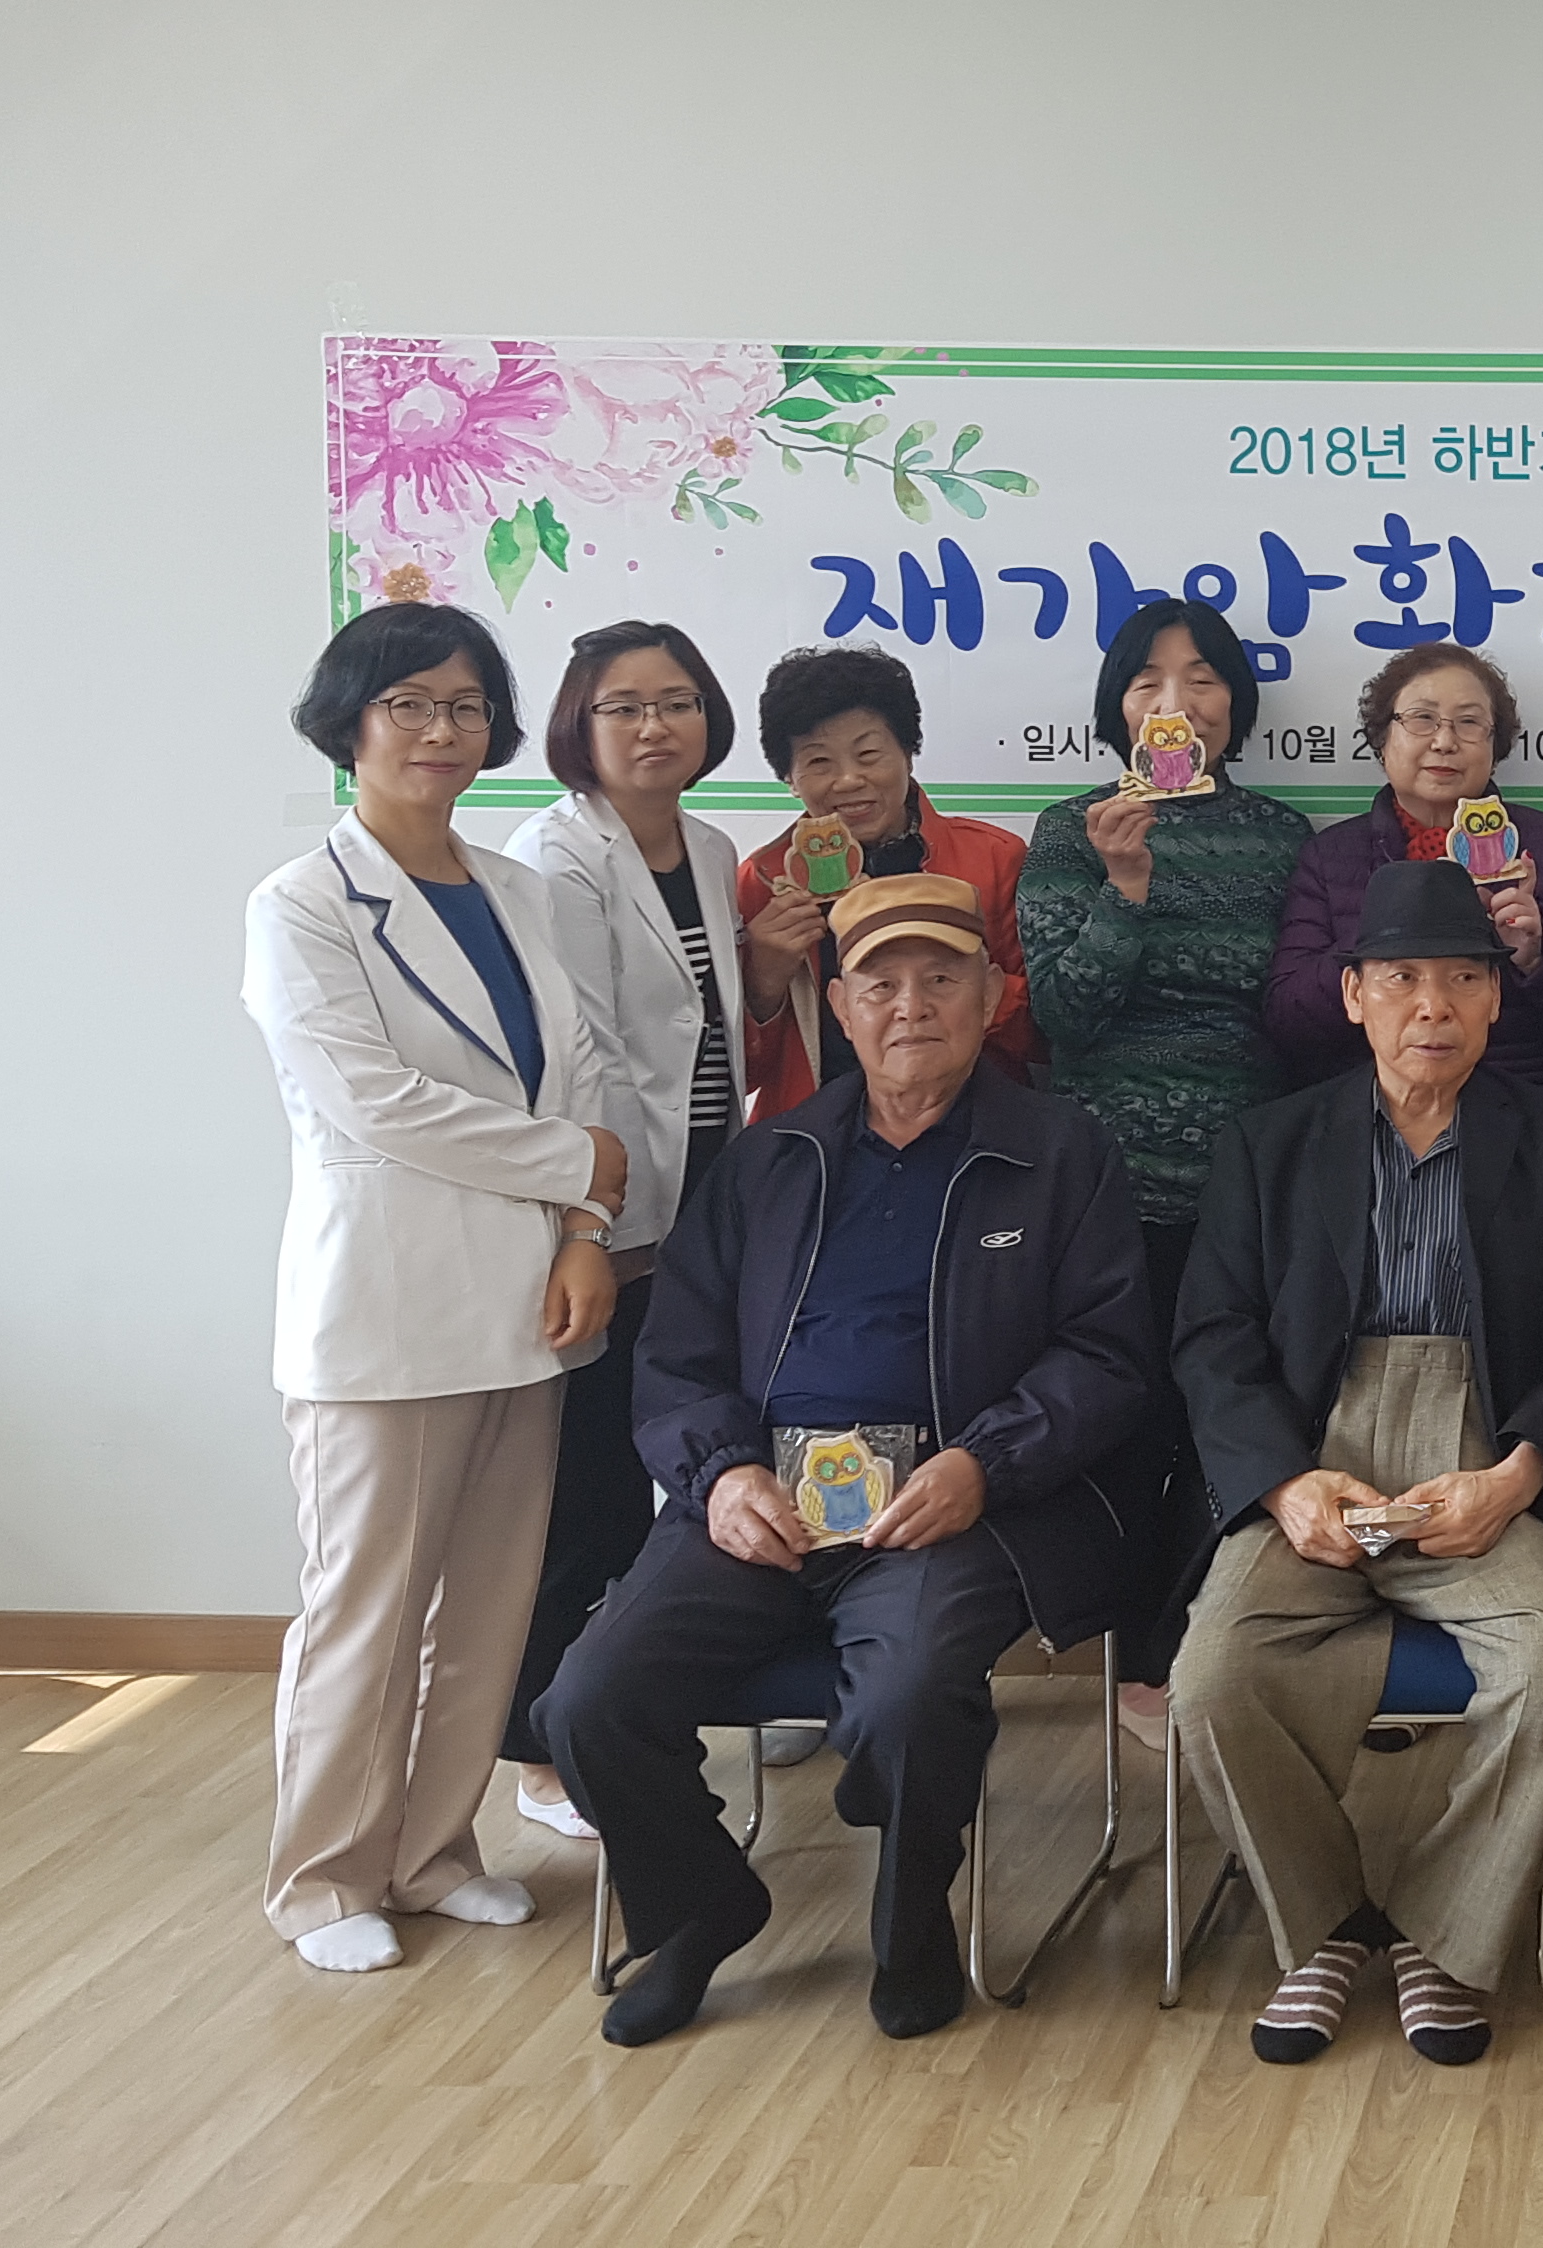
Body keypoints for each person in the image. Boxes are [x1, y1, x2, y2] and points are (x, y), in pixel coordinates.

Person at [539, 872, 1156, 2047]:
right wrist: (723, 1473)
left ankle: (913, 1908)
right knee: (588, 1698)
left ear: (992, 996)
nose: (910, 1005)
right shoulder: (769, 1159)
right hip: (762, 1496)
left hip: (953, 1503)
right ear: (839, 1003)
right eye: (881, 983)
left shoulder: (1062, 1153)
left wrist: (984, 1464)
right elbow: (677, 1357)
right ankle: (701, 1905)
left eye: (941, 979)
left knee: (910, 1698)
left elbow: (1108, 1355)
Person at [1170, 860, 1543, 2071]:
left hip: (1482, 1471)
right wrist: (1285, 1485)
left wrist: (1517, 1479)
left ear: (1496, 1000)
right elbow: (1212, 1337)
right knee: (1211, 1678)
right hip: (1316, 1470)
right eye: (1404, 978)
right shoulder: (1270, 1143)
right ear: (1354, 994)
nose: (1434, 1006)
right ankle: (1326, 1923)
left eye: (1464, 979)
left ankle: (1439, 1930)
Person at [241, 603, 625, 1975]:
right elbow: (373, 1103)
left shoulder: (516, 889)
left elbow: (580, 1069)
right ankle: (323, 1878)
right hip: (388, 1310)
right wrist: (575, 1162)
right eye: (409, 704)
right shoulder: (300, 904)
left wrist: (587, 1224)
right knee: (367, 1608)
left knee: (489, 1605)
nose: (441, 730)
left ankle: (434, 1850)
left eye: (464, 706)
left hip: (528, 1297)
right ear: (349, 720)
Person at [1019, 598, 1311, 1732]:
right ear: (1119, 707)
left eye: (1202, 678)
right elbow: (1063, 1015)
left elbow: (1298, 1013)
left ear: (1235, 704)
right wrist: (1125, 887)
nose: (1175, 702)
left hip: (1251, 1177)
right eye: (1148, 681)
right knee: (1128, 1420)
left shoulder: (1284, 836)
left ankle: (1232, 1647)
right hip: (1109, 1182)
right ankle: (1140, 1659)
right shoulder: (1069, 831)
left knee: (1238, 1418)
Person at [498, 620, 748, 1843]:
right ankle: (540, 1748)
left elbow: (704, 1029)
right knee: (588, 1488)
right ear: (578, 727)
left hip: (701, 1201)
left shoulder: (709, 846)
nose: (657, 727)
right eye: (625, 707)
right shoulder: (556, 856)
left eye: (678, 701)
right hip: (609, 1218)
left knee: (674, 1470)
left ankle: (648, 1703)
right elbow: (580, 1055)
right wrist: (597, 1223)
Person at [1265, 645, 1543, 1094]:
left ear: (1495, 745)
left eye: (1469, 722)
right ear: (1382, 740)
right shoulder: (1330, 856)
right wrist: (1385, 928)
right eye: (1422, 719)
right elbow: (1288, 1019)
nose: (1444, 741)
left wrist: (1536, 956)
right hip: (1364, 1103)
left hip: (1518, 1102)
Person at [735, 644, 1037, 1116]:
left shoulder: (995, 858)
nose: (849, 780)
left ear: (908, 754)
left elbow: (1040, 1034)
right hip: (812, 1133)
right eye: (819, 762)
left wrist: (962, 986)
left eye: (869, 754)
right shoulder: (764, 881)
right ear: (789, 778)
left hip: (973, 1122)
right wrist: (763, 983)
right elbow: (737, 1072)